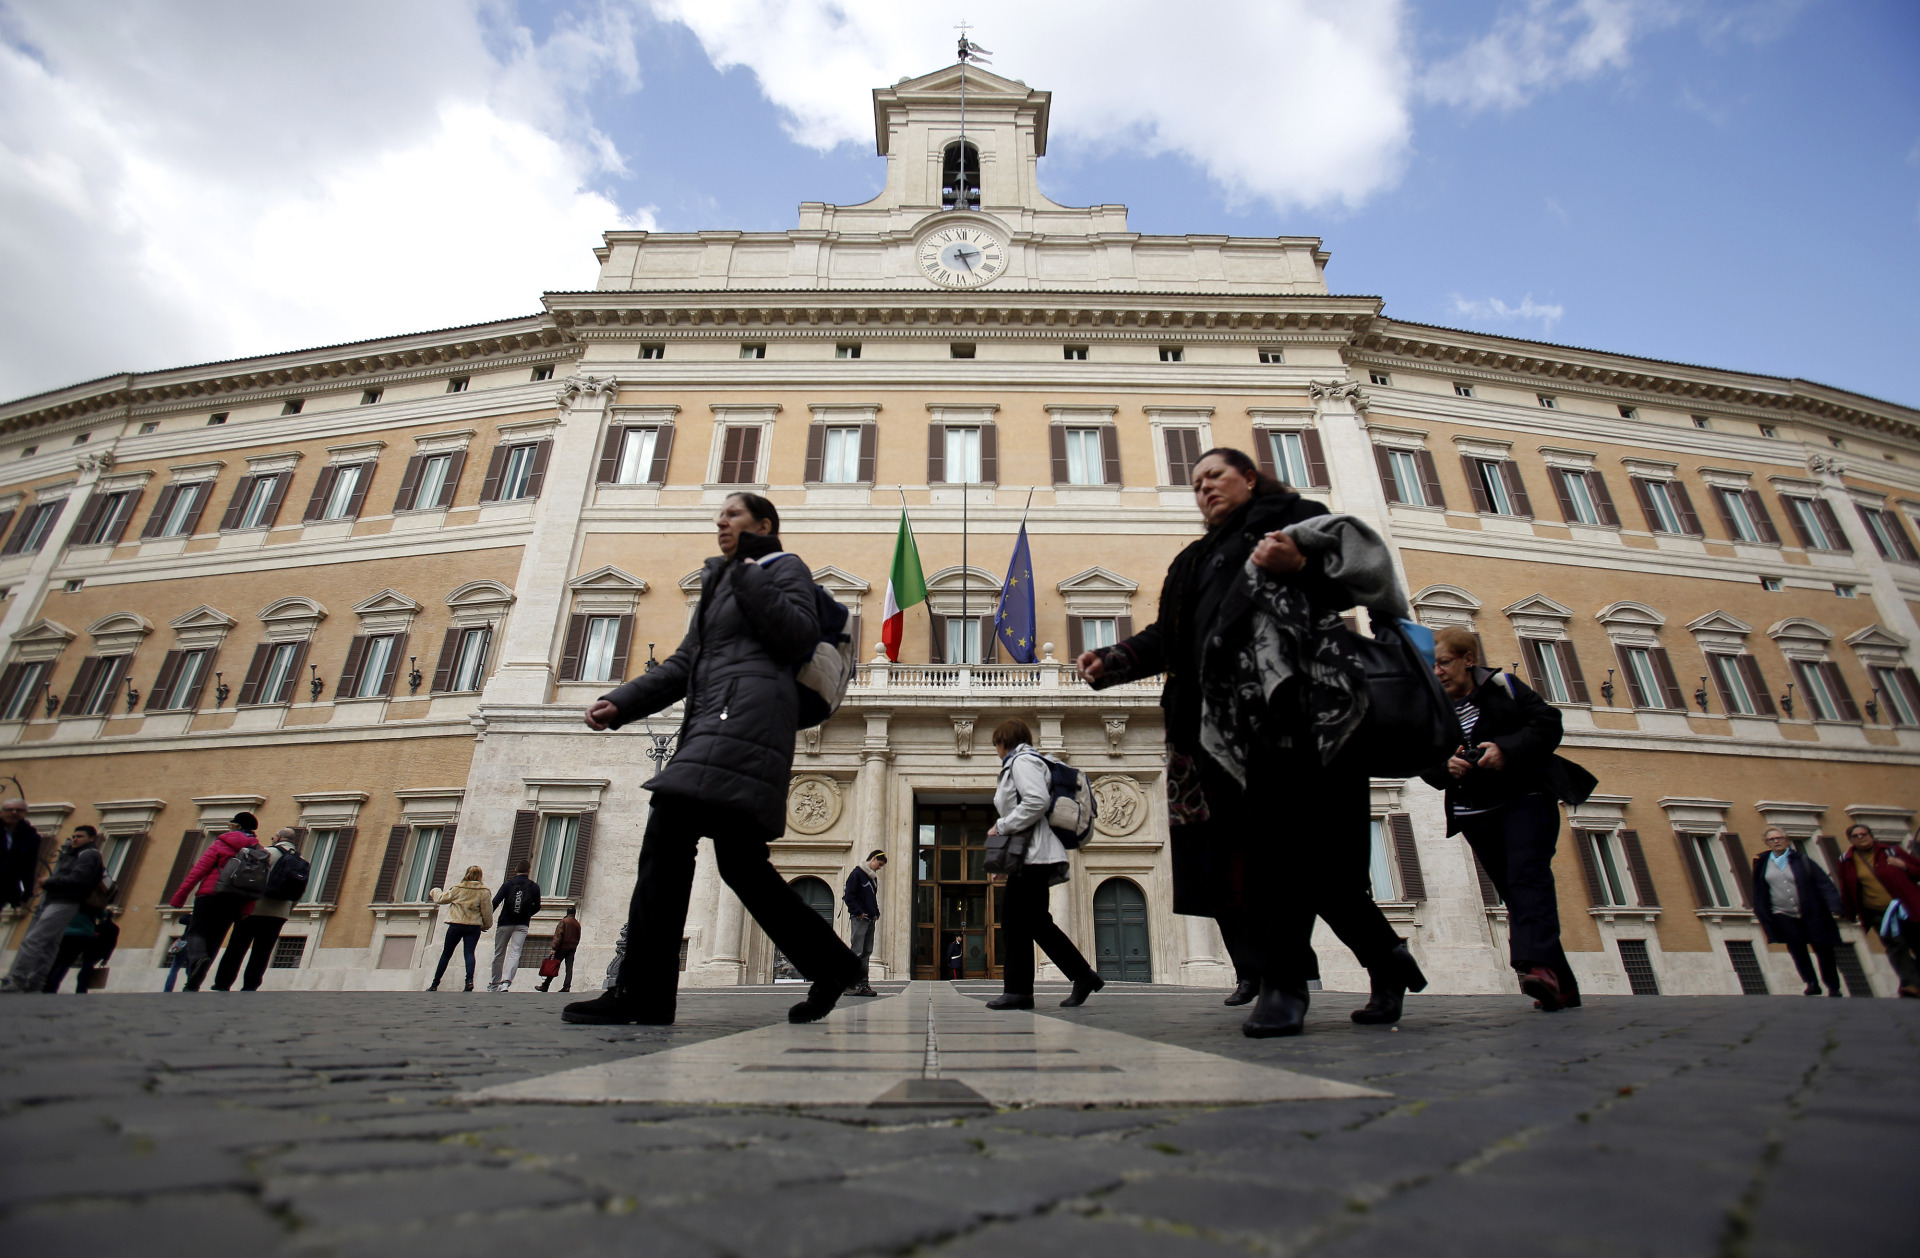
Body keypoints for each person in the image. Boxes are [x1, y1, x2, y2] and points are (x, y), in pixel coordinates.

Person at [1080, 448, 1423, 1037]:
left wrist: (1298, 564)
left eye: (1215, 474)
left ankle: (1283, 986)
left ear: (1249, 477)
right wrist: (1113, 660)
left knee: (1280, 851)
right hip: (1215, 731)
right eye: (1195, 483)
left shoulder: (1295, 519)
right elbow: (1172, 636)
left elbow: (1356, 583)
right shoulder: (1193, 560)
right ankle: (1387, 960)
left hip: (1297, 712)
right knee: (1292, 862)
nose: (1205, 487)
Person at [564, 491, 862, 1026]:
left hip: (743, 726)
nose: (721, 520)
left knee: (666, 840)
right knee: (741, 864)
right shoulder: (720, 582)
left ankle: (643, 994)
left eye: (734, 514)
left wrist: (747, 575)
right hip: (717, 726)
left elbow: (795, 635)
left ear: (763, 525)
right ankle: (833, 963)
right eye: (720, 514)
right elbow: (684, 664)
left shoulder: (781, 566)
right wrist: (624, 702)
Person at [1419, 629, 1596, 1014]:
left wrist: (1506, 750)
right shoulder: (1431, 708)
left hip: (1524, 799)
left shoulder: (1503, 686)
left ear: (1468, 659)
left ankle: (1537, 969)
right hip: (1475, 812)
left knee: (1526, 878)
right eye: (1431, 665)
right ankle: (1560, 986)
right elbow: (1424, 761)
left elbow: (1549, 724)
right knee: (1516, 894)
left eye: (1444, 662)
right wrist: (1444, 767)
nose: (1438, 671)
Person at [985, 719, 1104, 1010]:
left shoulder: (1022, 761)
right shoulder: (1028, 761)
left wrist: (1001, 826)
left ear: (1005, 741)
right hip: (1032, 855)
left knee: (1015, 921)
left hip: (1034, 856)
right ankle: (1082, 976)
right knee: (1035, 922)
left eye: (997, 745)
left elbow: (1036, 802)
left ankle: (1019, 992)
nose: (996, 751)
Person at [1, 824, 104, 993]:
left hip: (64, 902)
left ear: (91, 838)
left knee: (33, 940)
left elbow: (78, 879)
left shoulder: (88, 855)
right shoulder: (76, 854)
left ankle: (16, 979)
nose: (75, 839)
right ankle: (36, 982)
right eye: (74, 836)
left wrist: (49, 882)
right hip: (62, 902)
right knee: (50, 945)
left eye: (80, 836)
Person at [167, 812, 263, 991]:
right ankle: (194, 981)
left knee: (195, 933)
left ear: (237, 825)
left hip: (210, 895)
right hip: (235, 900)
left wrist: (180, 896)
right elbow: (256, 884)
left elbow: (198, 870)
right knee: (215, 941)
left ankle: (196, 963)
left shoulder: (223, 842)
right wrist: (246, 910)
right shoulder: (258, 851)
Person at [1750, 828, 1845, 996]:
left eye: (1779, 838)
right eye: (1772, 839)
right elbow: (1759, 889)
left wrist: (1835, 905)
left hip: (1812, 911)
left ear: (1787, 840)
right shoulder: (1762, 863)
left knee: (1823, 949)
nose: (1776, 841)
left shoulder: (1802, 860)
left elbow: (1824, 883)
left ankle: (1833, 985)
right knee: (1797, 949)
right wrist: (1762, 910)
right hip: (1782, 912)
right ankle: (1811, 982)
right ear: (1767, 843)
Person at [1833, 823, 1920, 997]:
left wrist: (1904, 866)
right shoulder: (1847, 860)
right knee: (1896, 947)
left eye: (1863, 834)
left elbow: (1917, 871)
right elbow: (1846, 887)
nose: (1860, 838)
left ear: (1871, 835)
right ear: (1850, 840)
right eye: (1855, 836)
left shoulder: (1892, 851)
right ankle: (1911, 984)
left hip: (1907, 908)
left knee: (1917, 943)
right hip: (1878, 913)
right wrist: (1848, 913)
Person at [211, 829, 302, 992]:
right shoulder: (301, 859)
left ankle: (223, 983)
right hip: (278, 914)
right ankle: (250, 986)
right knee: (263, 952)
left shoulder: (266, 853)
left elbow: (248, 877)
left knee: (237, 948)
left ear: (278, 838)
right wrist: (288, 909)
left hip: (253, 909)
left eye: (273, 836)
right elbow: (299, 892)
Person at [428, 866, 493, 990]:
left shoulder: (458, 888)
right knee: (469, 953)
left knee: (446, 954)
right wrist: (486, 925)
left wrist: (435, 890)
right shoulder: (484, 891)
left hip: (456, 924)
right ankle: (469, 981)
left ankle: (435, 983)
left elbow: (440, 899)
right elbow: (487, 912)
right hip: (473, 926)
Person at [490, 859, 542, 991]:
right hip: (522, 924)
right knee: (515, 952)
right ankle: (506, 982)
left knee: (499, 953)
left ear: (515, 870)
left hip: (505, 922)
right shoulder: (534, 886)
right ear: (529, 871)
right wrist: (527, 914)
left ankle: (494, 983)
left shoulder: (508, 884)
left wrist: (485, 919)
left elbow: (495, 902)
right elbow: (537, 907)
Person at [843, 850, 885, 997]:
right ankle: (849, 985)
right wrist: (859, 912)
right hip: (859, 919)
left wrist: (876, 913)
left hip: (869, 920)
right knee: (857, 952)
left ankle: (863, 985)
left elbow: (872, 898)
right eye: (879, 864)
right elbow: (848, 896)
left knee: (866, 953)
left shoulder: (872, 879)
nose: (879, 868)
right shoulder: (856, 875)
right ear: (873, 859)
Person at [0, 797, 43, 911]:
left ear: (24, 813)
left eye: (19, 810)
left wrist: (27, 891)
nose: (14, 813)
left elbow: (29, 866)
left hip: (5, 886)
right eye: (9, 810)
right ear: (1, 811)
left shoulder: (30, 836)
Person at [539, 906, 581, 992]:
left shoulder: (564, 922)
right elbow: (578, 937)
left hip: (562, 947)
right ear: (574, 913)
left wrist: (554, 948)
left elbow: (558, 935)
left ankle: (545, 985)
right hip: (572, 948)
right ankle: (567, 986)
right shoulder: (577, 924)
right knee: (569, 968)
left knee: (553, 966)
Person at [163, 913, 193, 991]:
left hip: (183, 942)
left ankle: (167, 989)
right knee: (190, 969)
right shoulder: (203, 920)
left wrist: (191, 914)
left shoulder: (193, 918)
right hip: (193, 944)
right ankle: (190, 988)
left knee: (174, 968)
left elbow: (182, 919)